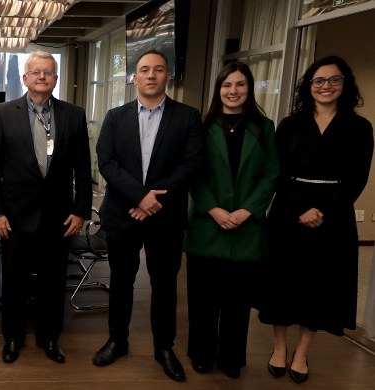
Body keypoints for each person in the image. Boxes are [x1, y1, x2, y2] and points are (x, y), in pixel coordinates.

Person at [258, 55, 373, 384]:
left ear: (345, 84)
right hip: (288, 213)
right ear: (309, 86)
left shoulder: (359, 128)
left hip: (333, 218)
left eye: (334, 80)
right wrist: (299, 209)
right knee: (283, 285)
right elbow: (275, 173)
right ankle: (279, 347)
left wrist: (323, 210)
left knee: (318, 288)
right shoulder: (290, 125)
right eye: (319, 81)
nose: (326, 86)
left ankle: (303, 352)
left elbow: (357, 178)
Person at [92, 49, 203, 382]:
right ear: (134, 78)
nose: (151, 75)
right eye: (144, 70)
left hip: (165, 216)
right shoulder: (115, 116)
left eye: (158, 70)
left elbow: (192, 163)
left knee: (165, 285)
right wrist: (141, 196)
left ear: (168, 76)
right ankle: (117, 340)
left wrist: (154, 199)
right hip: (123, 212)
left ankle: (164, 348)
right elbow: (107, 162)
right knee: (122, 282)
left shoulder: (188, 116)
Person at [0, 51, 92, 364]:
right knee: (15, 281)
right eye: (36, 72)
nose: (42, 77)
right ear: (25, 78)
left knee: (53, 281)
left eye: (48, 72)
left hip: (60, 217)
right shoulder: (2, 113)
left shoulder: (73, 114)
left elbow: (83, 168)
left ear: (56, 78)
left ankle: (49, 338)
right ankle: (13, 338)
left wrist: (81, 209)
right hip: (14, 217)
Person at [183, 62, 279, 379]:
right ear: (218, 90)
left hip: (247, 229)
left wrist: (247, 210)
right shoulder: (203, 125)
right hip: (207, 226)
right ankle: (202, 353)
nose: (233, 91)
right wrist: (213, 209)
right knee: (203, 302)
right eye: (227, 85)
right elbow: (193, 172)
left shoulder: (264, 128)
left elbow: (270, 175)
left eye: (240, 85)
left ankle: (231, 358)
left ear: (249, 90)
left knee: (238, 304)